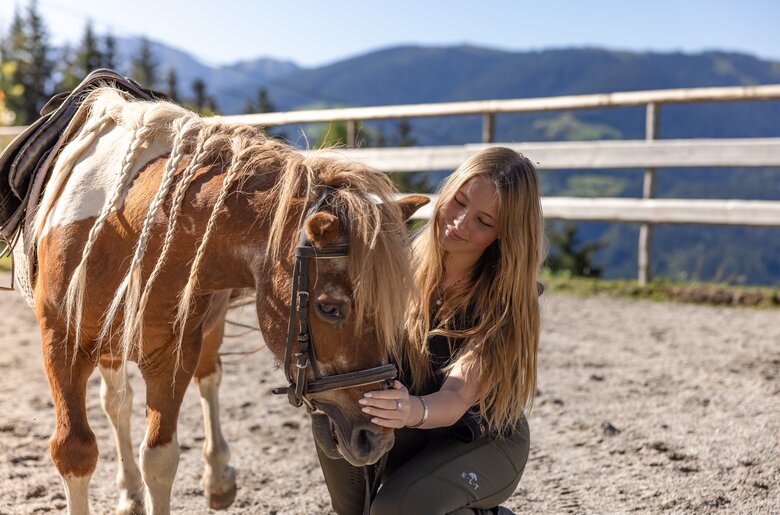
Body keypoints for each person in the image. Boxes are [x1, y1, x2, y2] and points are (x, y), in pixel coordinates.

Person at [315, 147, 545, 515]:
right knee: (335, 423)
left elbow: (455, 398)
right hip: (415, 431)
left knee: (397, 509)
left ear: (504, 235)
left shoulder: (508, 303)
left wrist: (410, 411)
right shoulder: (396, 262)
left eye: (484, 221)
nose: (460, 222)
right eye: (458, 202)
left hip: (481, 440)